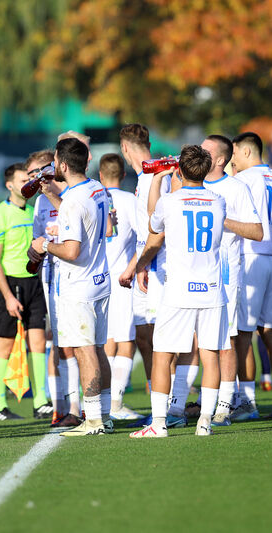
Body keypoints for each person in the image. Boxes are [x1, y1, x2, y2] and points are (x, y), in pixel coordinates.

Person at [126, 145, 231, 437]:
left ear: (180, 170)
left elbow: (152, 226)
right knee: (210, 355)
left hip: (180, 290)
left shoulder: (170, 201)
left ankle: (159, 424)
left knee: (162, 354)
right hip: (211, 289)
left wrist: (164, 182)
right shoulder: (218, 200)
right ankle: (205, 422)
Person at [32, 137, 112, 436]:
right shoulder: (95, 189)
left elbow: (71, 251)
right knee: (98, 349)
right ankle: (103, 414)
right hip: (99, 279)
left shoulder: (75, 200)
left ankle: (92, 420)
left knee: (84, 350)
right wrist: (53, 195)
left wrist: (44, 245)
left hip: (78, 285)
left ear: (62, 165)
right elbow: (80, 213)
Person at [230, 132, 272, 421]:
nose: (232, 158)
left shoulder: (244, 180)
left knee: (243, 335)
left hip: (251, 256)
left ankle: (247, 404)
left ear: (246, 152)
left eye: (234, 152)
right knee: (271, 333)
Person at [199, 135, 263, 427]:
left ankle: (225, 404)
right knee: (198, 341)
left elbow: (257, 231)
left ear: (221, 160)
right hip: (194, 273)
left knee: (225, 339)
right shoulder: (189, 182)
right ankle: (198, 402)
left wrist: (220, 219)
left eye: (205, 151)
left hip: (225, 273)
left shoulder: (235, 188)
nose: (198, 153)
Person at [0, 163, 51, 421]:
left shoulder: (35, 212)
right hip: (9, 285)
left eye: (29, 179)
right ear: (9, 185)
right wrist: (8, 296)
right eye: (22, 180)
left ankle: (41, 402)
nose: (27, 184)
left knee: (38, 343)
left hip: (33, 283)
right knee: (5, 345)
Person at [27, 150, 82, 428]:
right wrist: (33, 252)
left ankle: (81, 406)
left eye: (40, 172)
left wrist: (51, 193)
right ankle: (61, 407)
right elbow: (38, 237)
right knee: (59, 343)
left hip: (78, 274)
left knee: (78, 343)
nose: (37, 179)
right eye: (32, 175)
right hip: (52, 276)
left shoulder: (72, 192)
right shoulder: (39, 202)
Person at [118, 124, 168, 397]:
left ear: (125, 148)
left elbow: (158, 233)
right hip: (145, 263)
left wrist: (140, 265)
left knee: (162, 336)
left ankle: (172, 400)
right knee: (144, 335)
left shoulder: (156, 177)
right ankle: (157, 396)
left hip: (157, 267)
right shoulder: (145, 177)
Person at [98, 153, 141, 420]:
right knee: (125, 341)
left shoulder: (93, 197)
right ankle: (115, 402)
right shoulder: (131, 200)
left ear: (100, 176)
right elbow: (145, 239)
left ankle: (100, 401)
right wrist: (134, 267)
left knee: (106, 340)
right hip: (123, 278)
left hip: (97, 277)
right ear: (123, 175)